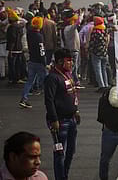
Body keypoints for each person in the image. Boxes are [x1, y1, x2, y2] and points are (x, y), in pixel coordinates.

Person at [44, 48, 80, 180]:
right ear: (60, 61)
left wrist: (76, 111)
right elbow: (49, 100)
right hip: (59, 121)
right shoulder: (52, 78)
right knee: (59, 153)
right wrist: (54, 120)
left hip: (71, 119)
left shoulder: (67, 74)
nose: (71, 63)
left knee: (71, 151)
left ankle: (64, 175)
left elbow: (71, 94)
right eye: (68, 61)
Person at [19, 17, 47, 108]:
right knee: (46, 81)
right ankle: (51, 100)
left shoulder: (29, 34)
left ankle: (24, 98)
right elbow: (41, 51)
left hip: (31, 60)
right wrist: (45, 63)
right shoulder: (39, 36)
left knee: (29, 81)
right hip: (39, 62)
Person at [88, 17, 110, 91]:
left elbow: (92, 43)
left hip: (96, 53)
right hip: (104, 52)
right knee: (104, 70)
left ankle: (101, 86)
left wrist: (89, 51)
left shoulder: (95, 31)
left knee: (98, 70)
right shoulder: (104, 30)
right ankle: (106, 84)